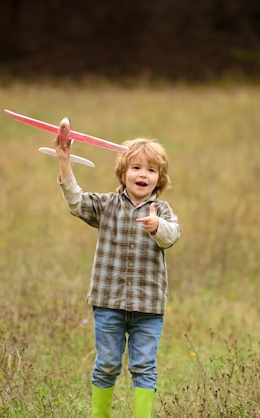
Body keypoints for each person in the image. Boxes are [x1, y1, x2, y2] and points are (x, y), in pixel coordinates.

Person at [55, 133, 181, 418]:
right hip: (108, 301)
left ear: (159, 179)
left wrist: (156, 226)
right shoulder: (107, 205)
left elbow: (172, 235)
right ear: (123, 173)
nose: (143, 174)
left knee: (144, 367)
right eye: (136, 167)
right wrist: (65, 162)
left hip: (148, 307)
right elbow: (76, 202)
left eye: (151, 170)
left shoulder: (161, 210)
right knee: (108, 364)